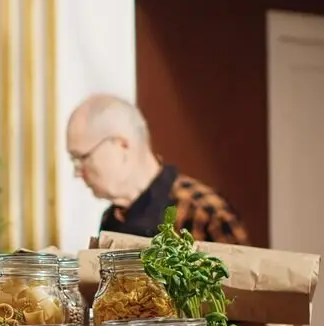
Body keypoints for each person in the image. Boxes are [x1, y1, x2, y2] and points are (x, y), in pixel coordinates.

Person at [65, 93, 250, 245]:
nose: (78, 172)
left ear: (122, 145)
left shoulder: (203, 212)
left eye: (83, 158)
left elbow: (242, 289)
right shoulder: (111, 219)